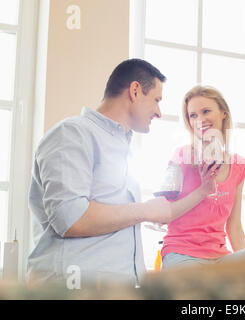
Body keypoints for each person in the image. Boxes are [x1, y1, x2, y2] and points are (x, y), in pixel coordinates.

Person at [27, 59, 217, 287]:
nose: (158, 112)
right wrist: (145, 210)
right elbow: (70, 218)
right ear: (135, 91)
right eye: (156, 100)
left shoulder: (121, 148)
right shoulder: (72, 134)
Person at [160, 85, 245, 269]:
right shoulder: (180, 157)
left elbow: (234, 228)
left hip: (219, 257)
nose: (199, 120)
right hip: (181, 253)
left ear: (223, 113)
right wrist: (203, 189)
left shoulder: (239, 166)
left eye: (206, 111)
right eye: (193, 115)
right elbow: (164, 215)